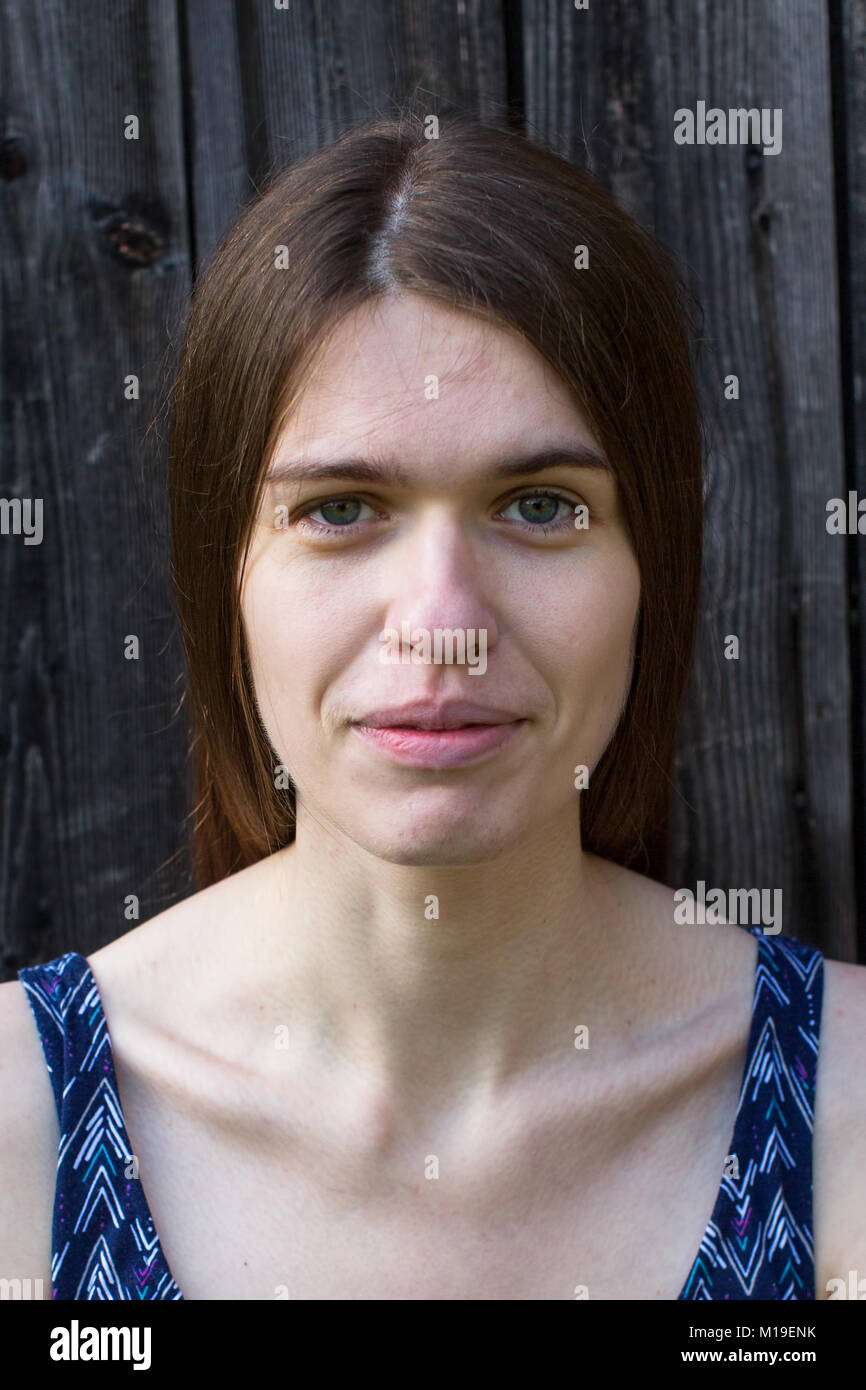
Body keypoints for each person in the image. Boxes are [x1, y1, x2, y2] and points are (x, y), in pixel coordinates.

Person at [1, 109, 864, 1302]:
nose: (441, 620)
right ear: (225, 574)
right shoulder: (22, 1123)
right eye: (341, 509)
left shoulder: (846, 1117)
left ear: (650, 567)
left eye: (540, 505)